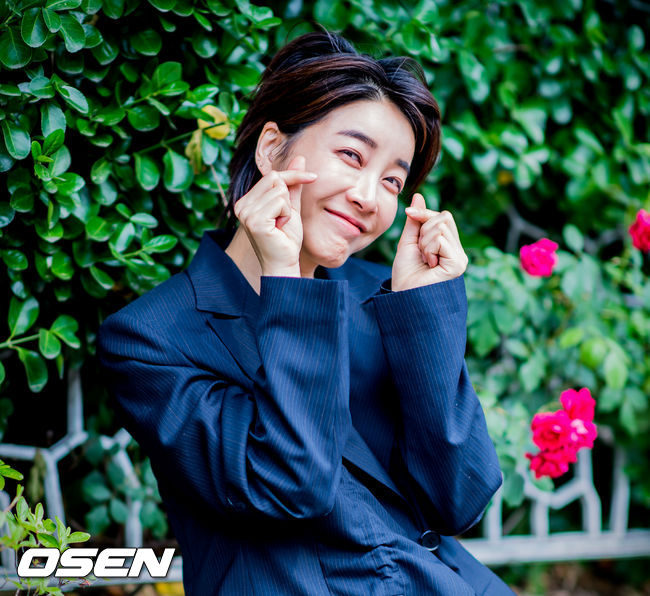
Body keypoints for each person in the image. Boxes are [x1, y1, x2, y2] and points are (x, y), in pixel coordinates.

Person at [97, 30, 515, 595]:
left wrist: (424, 312)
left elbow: (459, 499)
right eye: (351, 155)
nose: (370, 197)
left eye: (392, 180)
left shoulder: (380, 299)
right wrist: (286, 281)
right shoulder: (150, 338)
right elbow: (290, 487)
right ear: (272, 148)